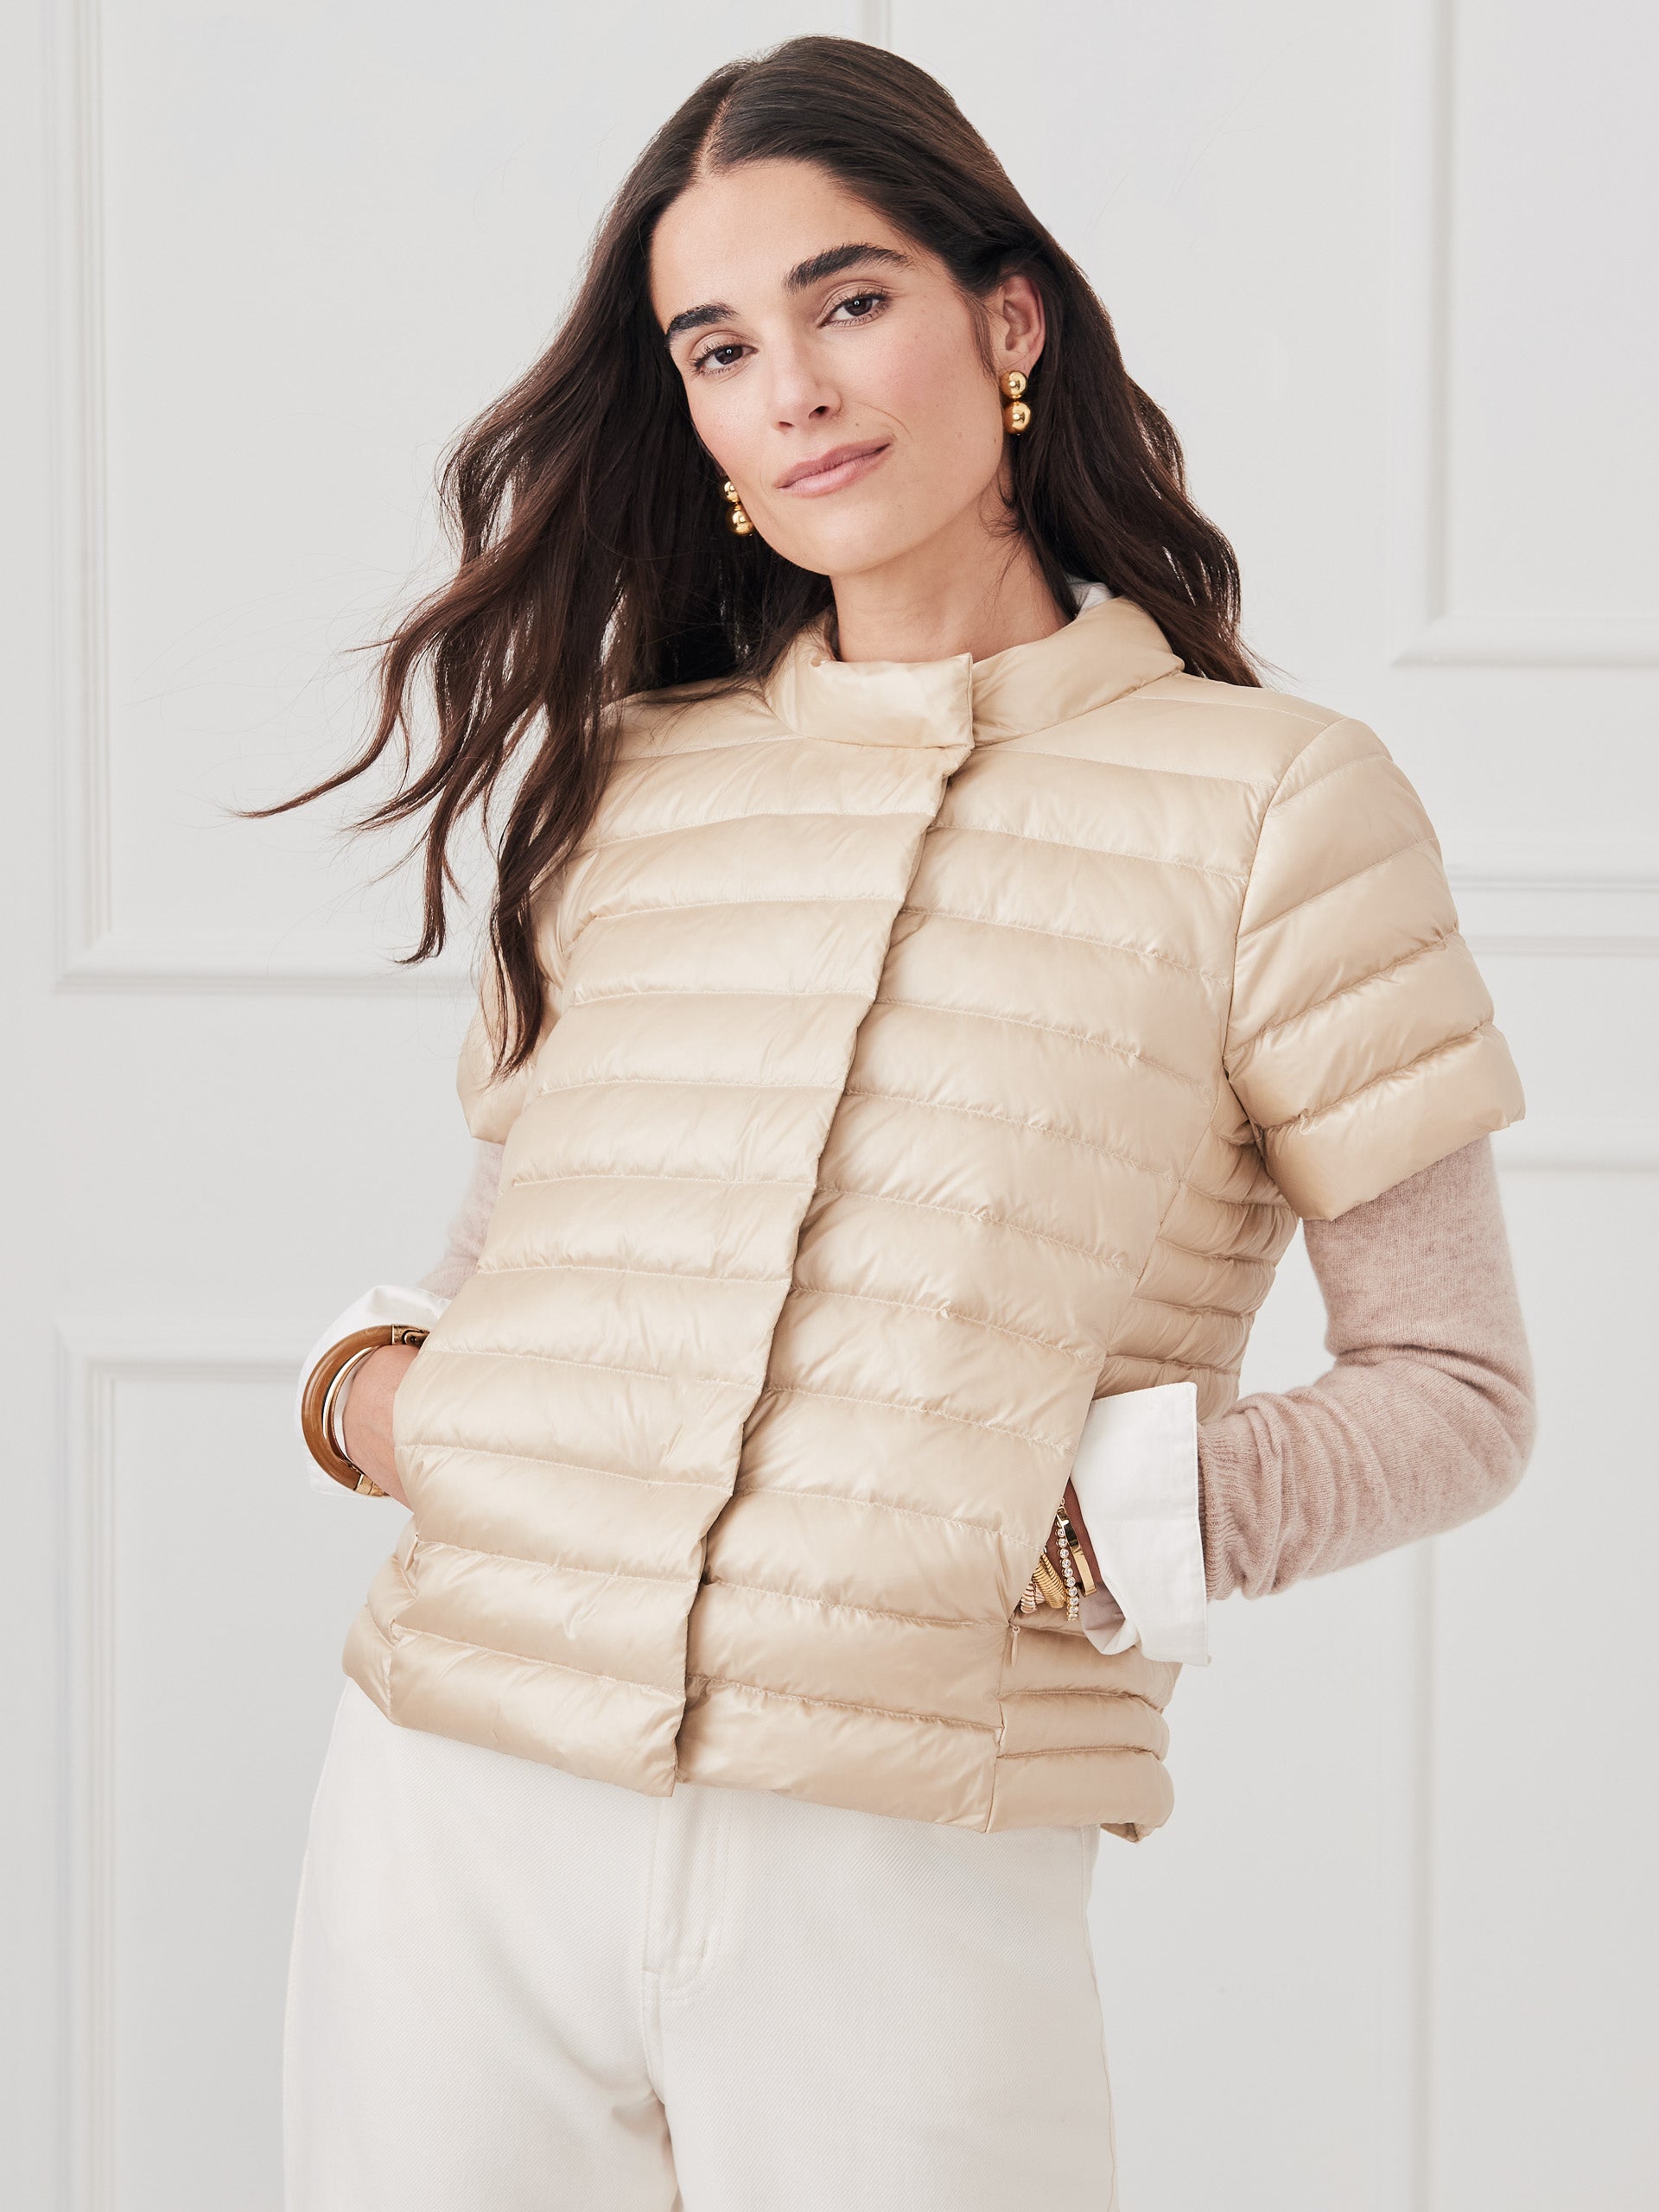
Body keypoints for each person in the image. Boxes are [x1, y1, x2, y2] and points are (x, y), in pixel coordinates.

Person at [267, 35, 1535, 2210]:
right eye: (720, 349)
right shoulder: (629, 783)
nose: (794, 391)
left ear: (1006, 320)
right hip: (448, 1805)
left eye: (848, 301)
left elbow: (1459, 1385)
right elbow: (506, 1262)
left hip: (905, 1853)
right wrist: (376, 1400)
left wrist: (1068, 1523)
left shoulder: (1276, 804)